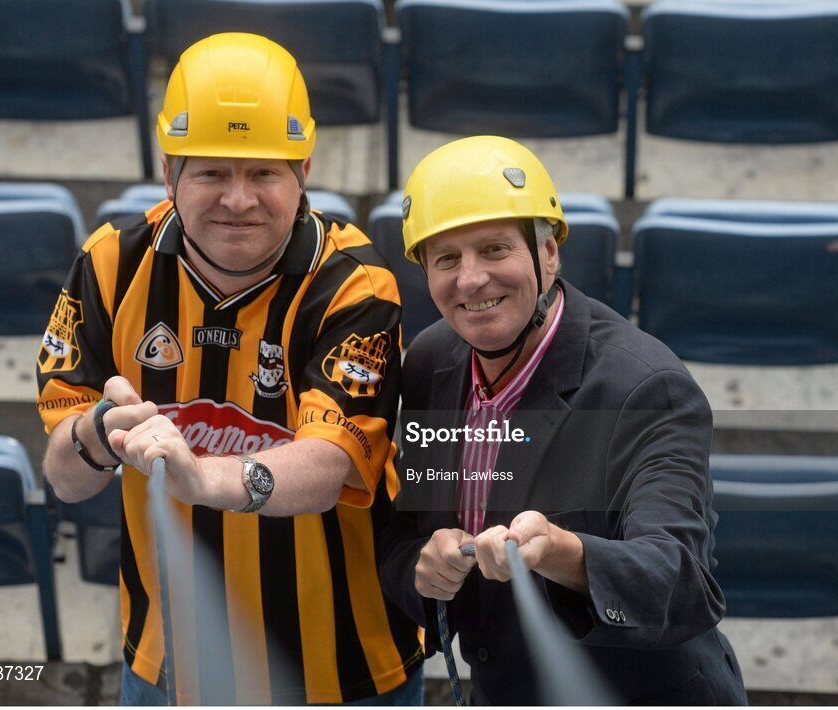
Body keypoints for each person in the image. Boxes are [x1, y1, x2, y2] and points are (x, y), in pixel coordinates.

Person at [36, 33, 422, 705]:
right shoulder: (107, 265)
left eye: (263, 173)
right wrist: (99, 433)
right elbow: (64, 481)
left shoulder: (356, 288)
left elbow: (328, 468)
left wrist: (201, 476)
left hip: (342, 671)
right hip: (169, 664)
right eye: (212, 171)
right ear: (168, 173)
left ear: (304, 170)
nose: (238, 199)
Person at [379, 136, 748, 705]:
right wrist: (421, 570)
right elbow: (407, 539)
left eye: (495, 249)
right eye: (446, 258)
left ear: (549, 253)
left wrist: (562, 552)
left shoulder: (645, 387)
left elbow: (680, 582)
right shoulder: (430, 362)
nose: (471, 279)